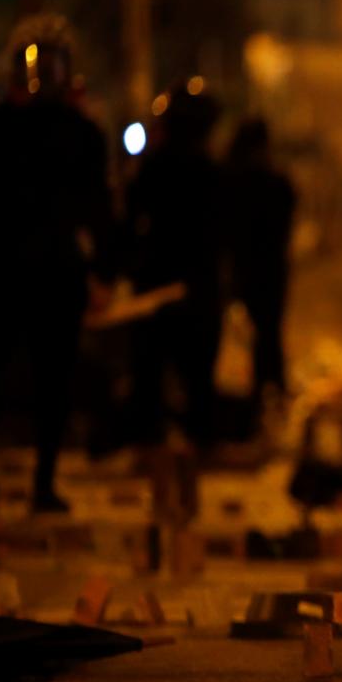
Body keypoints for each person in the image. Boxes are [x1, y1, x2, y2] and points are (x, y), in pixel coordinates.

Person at [0, 14, 113, 514]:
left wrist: (103, 270)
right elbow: (99, 211)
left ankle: (22, 482)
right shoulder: (64, 131)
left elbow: (97, 209)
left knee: (39, 382)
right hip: (27, 273)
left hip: (24, 274)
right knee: (40, 383)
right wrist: (105, 268)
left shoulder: (5, 128)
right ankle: (31, 483)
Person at [124, 84, 225, 451]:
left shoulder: (152, 168)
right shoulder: (210, 170)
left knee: (150, 371)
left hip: (158, 282)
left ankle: (150, 443)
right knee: (197, 373)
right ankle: (198, 442)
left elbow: (131, 221)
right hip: (195, 284)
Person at [223, 118, 296, 410]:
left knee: (264, 329)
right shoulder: (275, 182)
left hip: (251, 267)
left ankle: (264, 387)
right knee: (268, 329)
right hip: (268, 267)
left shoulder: (235, 181)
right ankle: (269, 386)